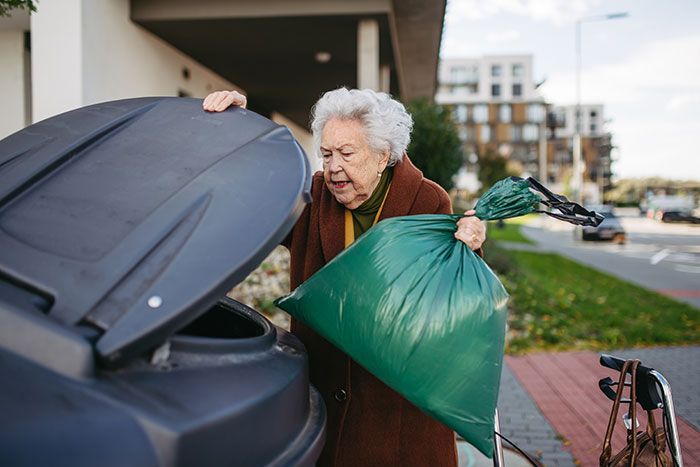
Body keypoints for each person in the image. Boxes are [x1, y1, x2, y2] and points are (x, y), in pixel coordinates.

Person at [203, 88, 486, 467]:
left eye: (347, 154)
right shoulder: (311, 197)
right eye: (326, 154)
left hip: (398, 419)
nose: (333, 167)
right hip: (324, 411)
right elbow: (254, 191)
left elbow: (451, 290)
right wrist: (237, 128)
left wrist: (472, 245)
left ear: (383, 155)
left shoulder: (427, 202)